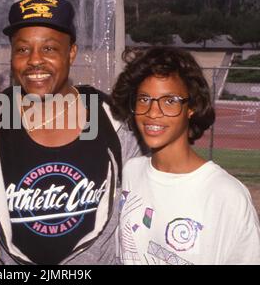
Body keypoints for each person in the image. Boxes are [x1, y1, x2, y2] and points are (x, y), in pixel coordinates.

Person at [0, 0, 141, 264]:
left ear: (71, 53)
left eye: (49, 48)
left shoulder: (108, 118)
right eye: (23, 49)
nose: (35, 60)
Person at [111, 47, 260, 264]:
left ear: (191, 107)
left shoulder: (227, 195)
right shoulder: (131, 172)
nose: (153, 112)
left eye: (169, 101)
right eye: (144, 99)